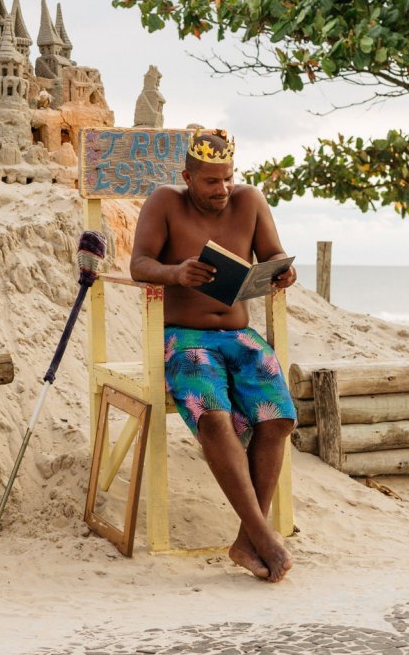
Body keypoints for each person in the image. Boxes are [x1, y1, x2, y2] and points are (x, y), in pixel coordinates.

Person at [130, 127, 297, 583]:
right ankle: (264, 537)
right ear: (188, 176)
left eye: (227, 179)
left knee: (278, 417)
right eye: (210, 181)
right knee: (215, 416)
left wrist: (283, 271)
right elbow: (139, 264)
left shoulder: (250, 201)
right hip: (185, 338)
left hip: (239, 336)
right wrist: (176, 272)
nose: (222, 189)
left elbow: (275, 254)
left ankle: (248, 540)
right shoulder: (165, 202)